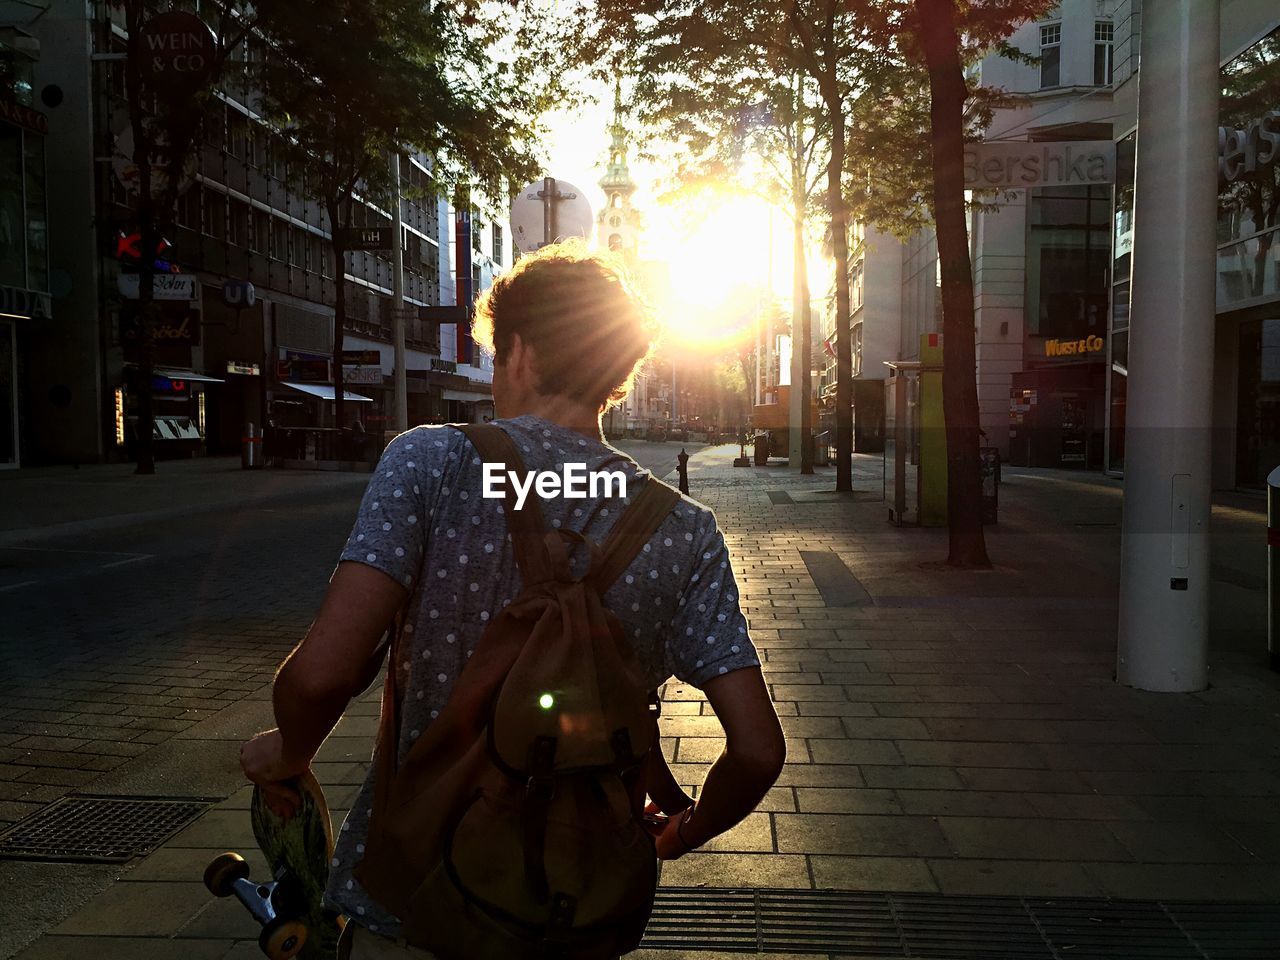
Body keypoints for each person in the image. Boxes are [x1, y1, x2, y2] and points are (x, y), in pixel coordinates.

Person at [239, 241, 786, 959]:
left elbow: (324, 674)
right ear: (616, 378)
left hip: (411, 899)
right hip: (575, 913)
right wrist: (681, 832)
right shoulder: (684, 529)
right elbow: (755, 749)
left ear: (520, 352)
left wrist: (289, 750)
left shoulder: (431, 461)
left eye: (498, 356)